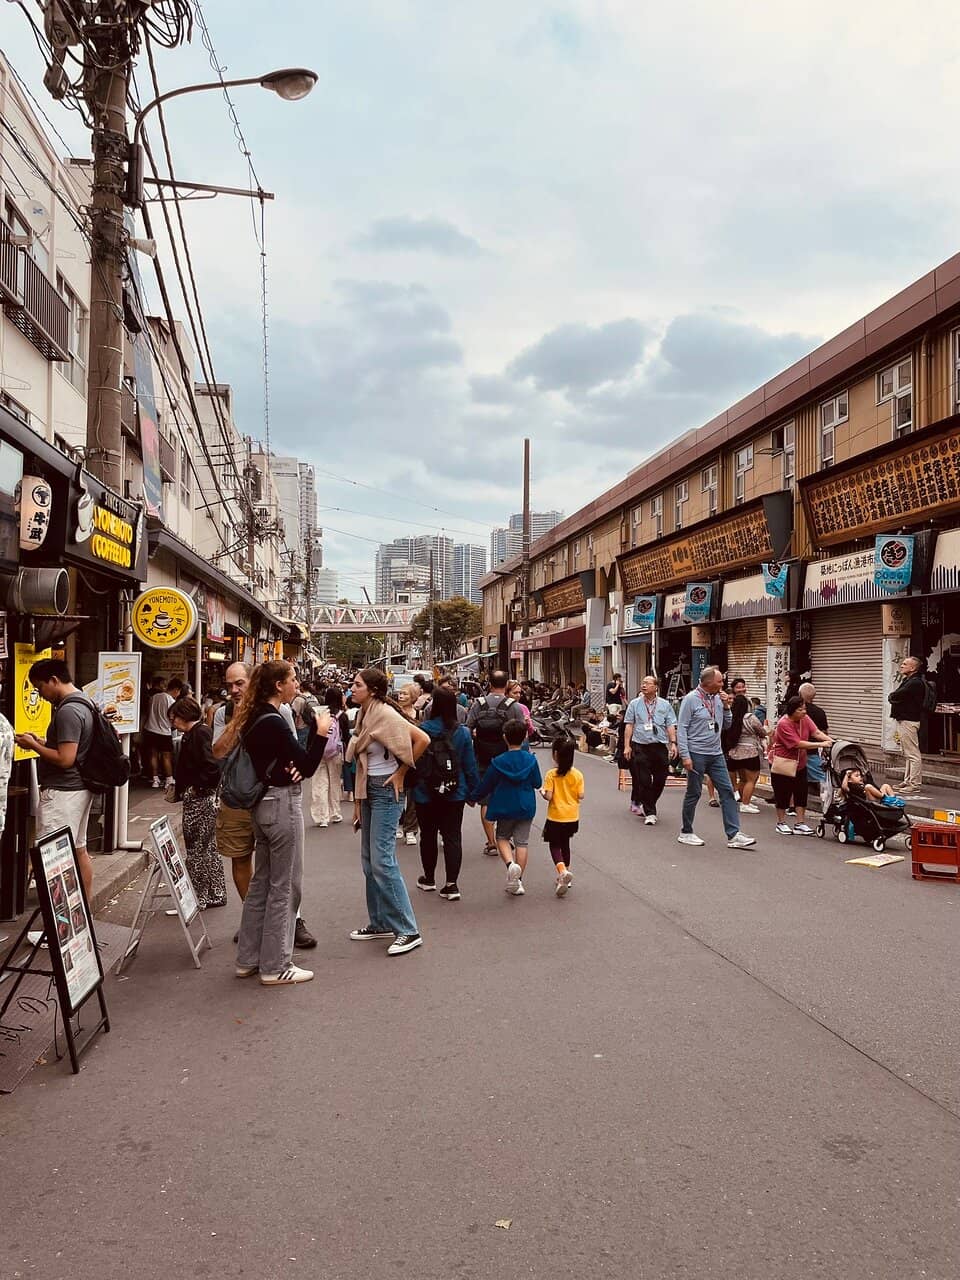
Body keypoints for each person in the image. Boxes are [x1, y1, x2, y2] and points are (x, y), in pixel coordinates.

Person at [228, 661, 331, 986]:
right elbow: (306, 764)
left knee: (262, 882)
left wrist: (294, 764)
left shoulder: (254, 716)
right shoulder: (274, 719)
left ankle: (248, 958)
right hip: (282, 803)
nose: (296, 685)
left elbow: (294, 763)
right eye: (292, 679)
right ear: (278, 685)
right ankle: (276, 965)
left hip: (263, 803)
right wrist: (321, 733)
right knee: (284, 886)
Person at [213, 662, 317, 950]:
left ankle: (292, 922)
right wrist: (241, 719)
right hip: (237, 794)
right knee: (243, 859)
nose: (233, 690)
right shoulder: (224, 713)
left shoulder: (280, 710)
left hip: (268, 794)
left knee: (283, 871)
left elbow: (293, 754)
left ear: (255, 682)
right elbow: (218, 751)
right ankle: (254, 920)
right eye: (230, 684)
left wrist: (294, 768)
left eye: (240, 684)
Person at [345, 668, 430, 955]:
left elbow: (423, 740)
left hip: (385, 792)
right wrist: (358, 802)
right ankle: (380, 922)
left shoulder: (384, 714)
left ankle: (408, 929)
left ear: (371, 690)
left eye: (357, 685)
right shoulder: (365, 714)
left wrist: (402, 772)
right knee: (369, 860)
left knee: (382, 861)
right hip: (369, 790)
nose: (352, 689)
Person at [15, 659, 96, 897]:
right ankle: (82, 918)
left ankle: (59, 924)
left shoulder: (68, 710)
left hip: (64, 791)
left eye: (40, 688)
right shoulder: (85, 702)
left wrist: (33, 745)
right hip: (79, 788)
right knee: (78, 849)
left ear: (54, 680)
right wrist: (42, 743)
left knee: (54, 855)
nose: (40, 695)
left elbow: (65, 758)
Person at [676, 666, 756, 849]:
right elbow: (682, 728)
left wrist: (727, 707)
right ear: (708, 682)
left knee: (727, 791)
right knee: (694, 792)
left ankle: (734, 834)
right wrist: (685, 755)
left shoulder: (718, 699)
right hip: (696, 752)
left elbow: (726, 725)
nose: (723, 685)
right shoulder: (690, 700)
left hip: (716, 753)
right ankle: (686, 831)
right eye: (719, 681)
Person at [413, 686, 480, 901]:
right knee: (452, 837)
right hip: (454, 791)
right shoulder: (462, 732)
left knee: (428, 835)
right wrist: (473, 793)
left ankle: (429, 878)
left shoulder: (422, 729)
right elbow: (470, 765)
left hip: (425, 792)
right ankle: (451, 884)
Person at [168, 695, 226, 910]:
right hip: (204, 796)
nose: (173, 723)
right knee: (208, 847)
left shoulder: (198, 734)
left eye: (174, 718)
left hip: (200, 799)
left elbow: (211, 766)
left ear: (183, 716)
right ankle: (215, 893)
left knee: (196, 849)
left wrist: (195, 788)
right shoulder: (198, 732)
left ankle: (198, 896)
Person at [473, 718, 542, 895]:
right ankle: (518, 882)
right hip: (526, 805)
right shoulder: (531, 760)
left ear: (504, 738)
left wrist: (472, 797)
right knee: (522, 842)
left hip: (504, 806)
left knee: (502, 836)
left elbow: (486, 785)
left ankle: (511, 865)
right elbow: (537, 782)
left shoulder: (498, 762)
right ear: (525, 736)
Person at [466, 670, 526, 855]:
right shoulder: (513, 706)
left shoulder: (479, 704)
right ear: (505, 684)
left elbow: (468, 728)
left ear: (489, 684)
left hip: (483, 757)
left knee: (486, 801)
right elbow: (521, 732)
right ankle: (504, 837)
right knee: (506, 796)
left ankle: (491, 842)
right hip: (506, 758)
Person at [769, 695, 833, 836]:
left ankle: (800, 823)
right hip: (784, 764)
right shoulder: (783, 723)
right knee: (782, 794)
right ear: (792, 710)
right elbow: (797, 743)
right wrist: (821, 744)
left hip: (801, 764)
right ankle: (781, 822)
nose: (804, 712)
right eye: (800, 709)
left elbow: (816, 732)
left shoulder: (805, 719)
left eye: (804, 709)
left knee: (801, 792)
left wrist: (831, 741)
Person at [623, 675, 678, 825]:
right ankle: (650, 812)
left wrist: (673, 743)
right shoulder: (634, 704)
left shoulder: (665, 705)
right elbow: (629, 725)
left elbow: (670, 725)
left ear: (656, 687)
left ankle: (648, 802)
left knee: (660, 779)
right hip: (640, 745)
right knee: (644, 780)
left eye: (647, 683)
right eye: (643, 683)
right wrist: (627, 746)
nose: (644, 685)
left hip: (659, 745)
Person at [540, 736, 584, 897]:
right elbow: (581, 795)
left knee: (554, 845)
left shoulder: (551, 774)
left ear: (555, 754)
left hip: (556, 816)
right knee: (565, 843)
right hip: (572, 816)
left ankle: (562, 871)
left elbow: (549, 796)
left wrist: (543, 792)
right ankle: (567, 874)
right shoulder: (578, 774)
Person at [888, 656, 927, 794]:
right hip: (904, 720)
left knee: (913, 754)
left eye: (905, 664)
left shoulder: (915, 682)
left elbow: (896, 695)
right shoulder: (909, 680)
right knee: (907, 753)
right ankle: (908, 780)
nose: (902, 666)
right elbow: (896, 696)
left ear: (913, 668)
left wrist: (892, 696)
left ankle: (915, 784)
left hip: (909, 721)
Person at [310, 686, 348, 827]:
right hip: (335, 752)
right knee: (334, 782)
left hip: (319, 751)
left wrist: (309, 751)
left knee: (320, 784)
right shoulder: (341, 716)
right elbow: (346, 737)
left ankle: (322, 817)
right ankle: (335, 813)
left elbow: (312, 734)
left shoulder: (320, 713)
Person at [723, 694, 767, 814]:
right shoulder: (750, 717)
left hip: (735, 752)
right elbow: (761, 731)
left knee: (742, 779)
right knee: (751, 780)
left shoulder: (731, 717)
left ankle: (742, 800)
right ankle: (745, 803)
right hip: (750, 752)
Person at [798, 682, 832, 812]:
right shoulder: (820, 712)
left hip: (797, 751)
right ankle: (826, 802)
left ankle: (792, 806)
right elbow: (823, 732)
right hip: (813, 751)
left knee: (797, 778)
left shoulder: (793, 711)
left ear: (799, 694)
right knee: (822, 778)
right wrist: (828, 743)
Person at [394, 685, 421, 847]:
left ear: (413, 697)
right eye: (400, 694)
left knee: (413, 797)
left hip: (414, 758)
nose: (401, 696)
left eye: (405, 694)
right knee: (397, 793)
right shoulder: (394, 714)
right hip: (395, 758)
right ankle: (398, 823)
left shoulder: (420, 714)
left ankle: (411, 829)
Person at [143, 674, 175, 789]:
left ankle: (155, 780)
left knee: (153, 755)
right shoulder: (168, 698)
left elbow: (148, 713)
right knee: (166, 756)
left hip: (150, 729)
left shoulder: (153, 697)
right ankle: (169, 779)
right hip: (164, 731)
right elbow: (173, 714)